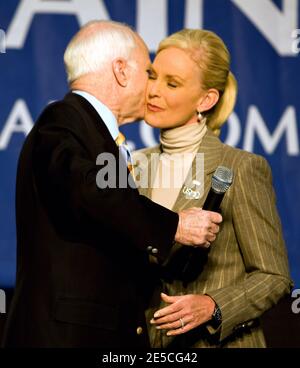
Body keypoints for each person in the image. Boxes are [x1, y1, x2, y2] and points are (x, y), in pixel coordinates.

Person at [1, 22, 222, 348]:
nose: (152, 87)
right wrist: (175, 224)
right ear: (121, 70)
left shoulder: (99, 135)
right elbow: (86, 191)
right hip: (66, 337)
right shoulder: (62, 119)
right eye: (148, 73)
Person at [133, 28, 293, 348]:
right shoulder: (133, 165)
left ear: (206, 99)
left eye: (172, 83)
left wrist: (213, 306)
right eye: (152, 75)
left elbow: (274, 278)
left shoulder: (240, 168)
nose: (153, 90)